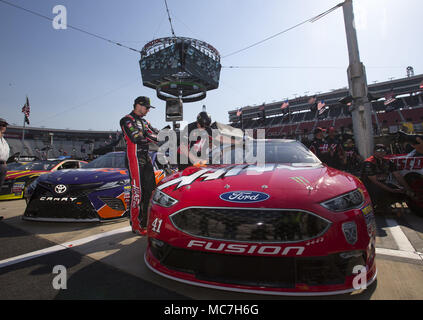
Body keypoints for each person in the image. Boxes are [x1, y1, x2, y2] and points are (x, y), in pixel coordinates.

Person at [120, 96, 159, 235]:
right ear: (138, 105)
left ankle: (145, 222)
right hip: (134, 158)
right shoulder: (126, 120)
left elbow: (157, 134)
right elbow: (137, 137)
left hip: (146, 157)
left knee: (150, 190)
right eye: (147, 107)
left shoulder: (145, 121)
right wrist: (154, 137)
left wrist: (170, 136)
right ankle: (136, 225)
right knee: (137, 191)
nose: (148, 111)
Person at [361, 144, 416, 213]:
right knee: (381, 191)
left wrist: (408, 189)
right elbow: (375, 181)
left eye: (384, 150)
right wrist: (391, 190)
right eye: (379, 150)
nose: (381, 152)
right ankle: (378, 207)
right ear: (374, 152)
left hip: (382, 184)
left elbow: (398, 176)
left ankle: (386, 205)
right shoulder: (368, 163)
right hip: (368, 186)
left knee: (401, 191)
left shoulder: (388, 162)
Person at [0, 118, 10, 221]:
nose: (3, 127)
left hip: (3, 165)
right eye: (2, 125)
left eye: (4, 125)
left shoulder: (4, 140)